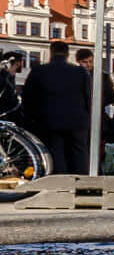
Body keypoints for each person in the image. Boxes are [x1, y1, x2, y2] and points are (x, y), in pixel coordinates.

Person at [22, 41, 91, 173]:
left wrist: (32, 119)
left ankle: (61, 184)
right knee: (79, 152)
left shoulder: (39, 71)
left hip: (50, 119)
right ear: (67, 54)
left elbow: (28, 98)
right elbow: (88, 97)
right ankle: (81, 183)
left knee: (56, 151)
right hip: (77, 120)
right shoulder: (80, 72)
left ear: (51, 52)